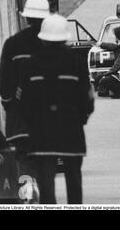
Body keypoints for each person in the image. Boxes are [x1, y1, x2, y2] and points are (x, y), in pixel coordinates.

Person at [18, 14, 95, 204]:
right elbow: (88, 98)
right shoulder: (77, 62)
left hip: (42, 133)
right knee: (74, 182)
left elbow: (24, 102)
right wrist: (81, 119)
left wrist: (32, 124)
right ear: (65, 37)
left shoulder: (31, 64)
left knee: (46, 184)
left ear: (43, 39)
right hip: (71, 131)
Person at [0, 0, 51, 201]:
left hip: (20, 120)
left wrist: (10, 105)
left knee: (24, 159)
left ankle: (27, 194)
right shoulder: (51, 45)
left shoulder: (12, 44)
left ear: (27, 18)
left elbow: (5, 85)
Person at [96, 26, 120, 99]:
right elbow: (113, 47)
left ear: (118, 37)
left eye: (115, 36)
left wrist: (106, 74)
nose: (115, 37)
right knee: (103, 82)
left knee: (103, 80)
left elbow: (118, 65)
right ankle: (118, 91)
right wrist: (101, 44)